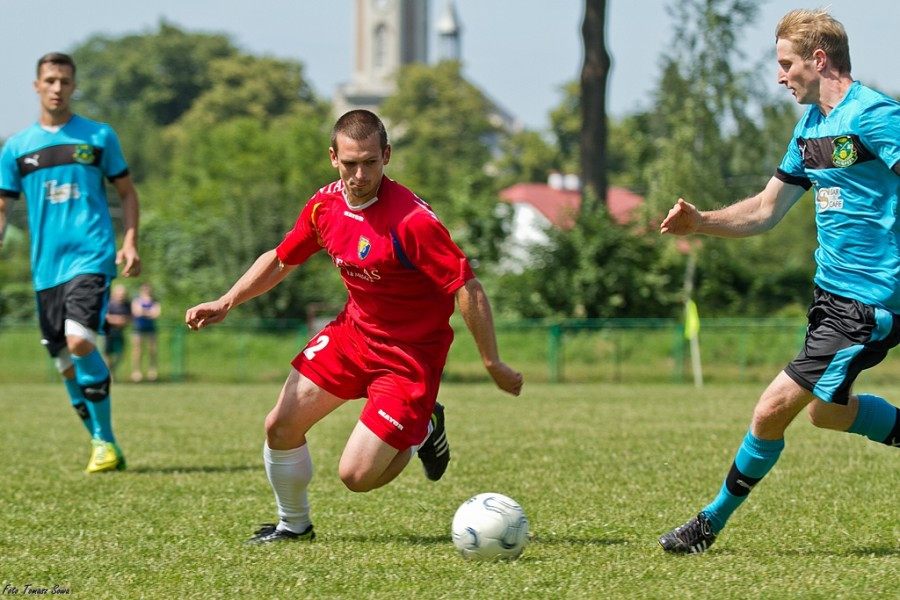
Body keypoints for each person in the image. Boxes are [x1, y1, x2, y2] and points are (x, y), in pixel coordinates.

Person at [185, 109, 523, 543]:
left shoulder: (413, 221)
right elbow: (282, 257)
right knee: (280, 425)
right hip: (353, 336)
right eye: (350, 163)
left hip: (409, 356)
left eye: (369, 162)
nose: (359, 174)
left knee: (357, 476)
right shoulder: (324, 206)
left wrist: (491, 360)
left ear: (386, 155)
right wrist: (227, 299)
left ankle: (422, 431)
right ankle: (293, 525)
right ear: (333, 158)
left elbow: (467, 288)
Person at [657, 8, 900, 553]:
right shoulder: (811, 130)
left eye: (787, 63)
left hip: (870, 303)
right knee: (827, 412)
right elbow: (766, 209)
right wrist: (702, 223)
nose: (780, 75)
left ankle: (708, 524)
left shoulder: (877, 116)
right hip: (830, 300)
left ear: (819, 59)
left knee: (772, 409)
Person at [0, 52, 140, 473]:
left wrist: (130, 240)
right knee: (65, 363)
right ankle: (104, 443)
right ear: (37, 86)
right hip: (45, 269)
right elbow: (3, 204)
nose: (57, 88)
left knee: (81, 341)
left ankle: (105, 442)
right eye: (50, 80)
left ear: (74, 86)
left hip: (91, 255)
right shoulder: (17, 147)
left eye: (64, 81)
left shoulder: (98, 136)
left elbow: (127, 193)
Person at [131, 283, 161, 382]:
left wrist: (143, 312)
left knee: (152, 350)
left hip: (150, 329)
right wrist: (148, 312)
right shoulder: (137, 300)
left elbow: (156, 314)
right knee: (138, 350)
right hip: (138, 328)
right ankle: (136, 371)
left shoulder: (154, 301)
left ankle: (152, 371)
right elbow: (137, 312)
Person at [104, 284, 132, 379]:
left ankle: (112, 369)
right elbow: (106, 317)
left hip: (120, 332)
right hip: (108, 332)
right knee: (108, 354)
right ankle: (109, 374)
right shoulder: (109, 303)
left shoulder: (127, 305)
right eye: (120, 294)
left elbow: (130, 318)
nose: (121, 296)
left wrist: (124, 320)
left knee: (120, 354)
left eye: (123, 294)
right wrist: (118, 319)